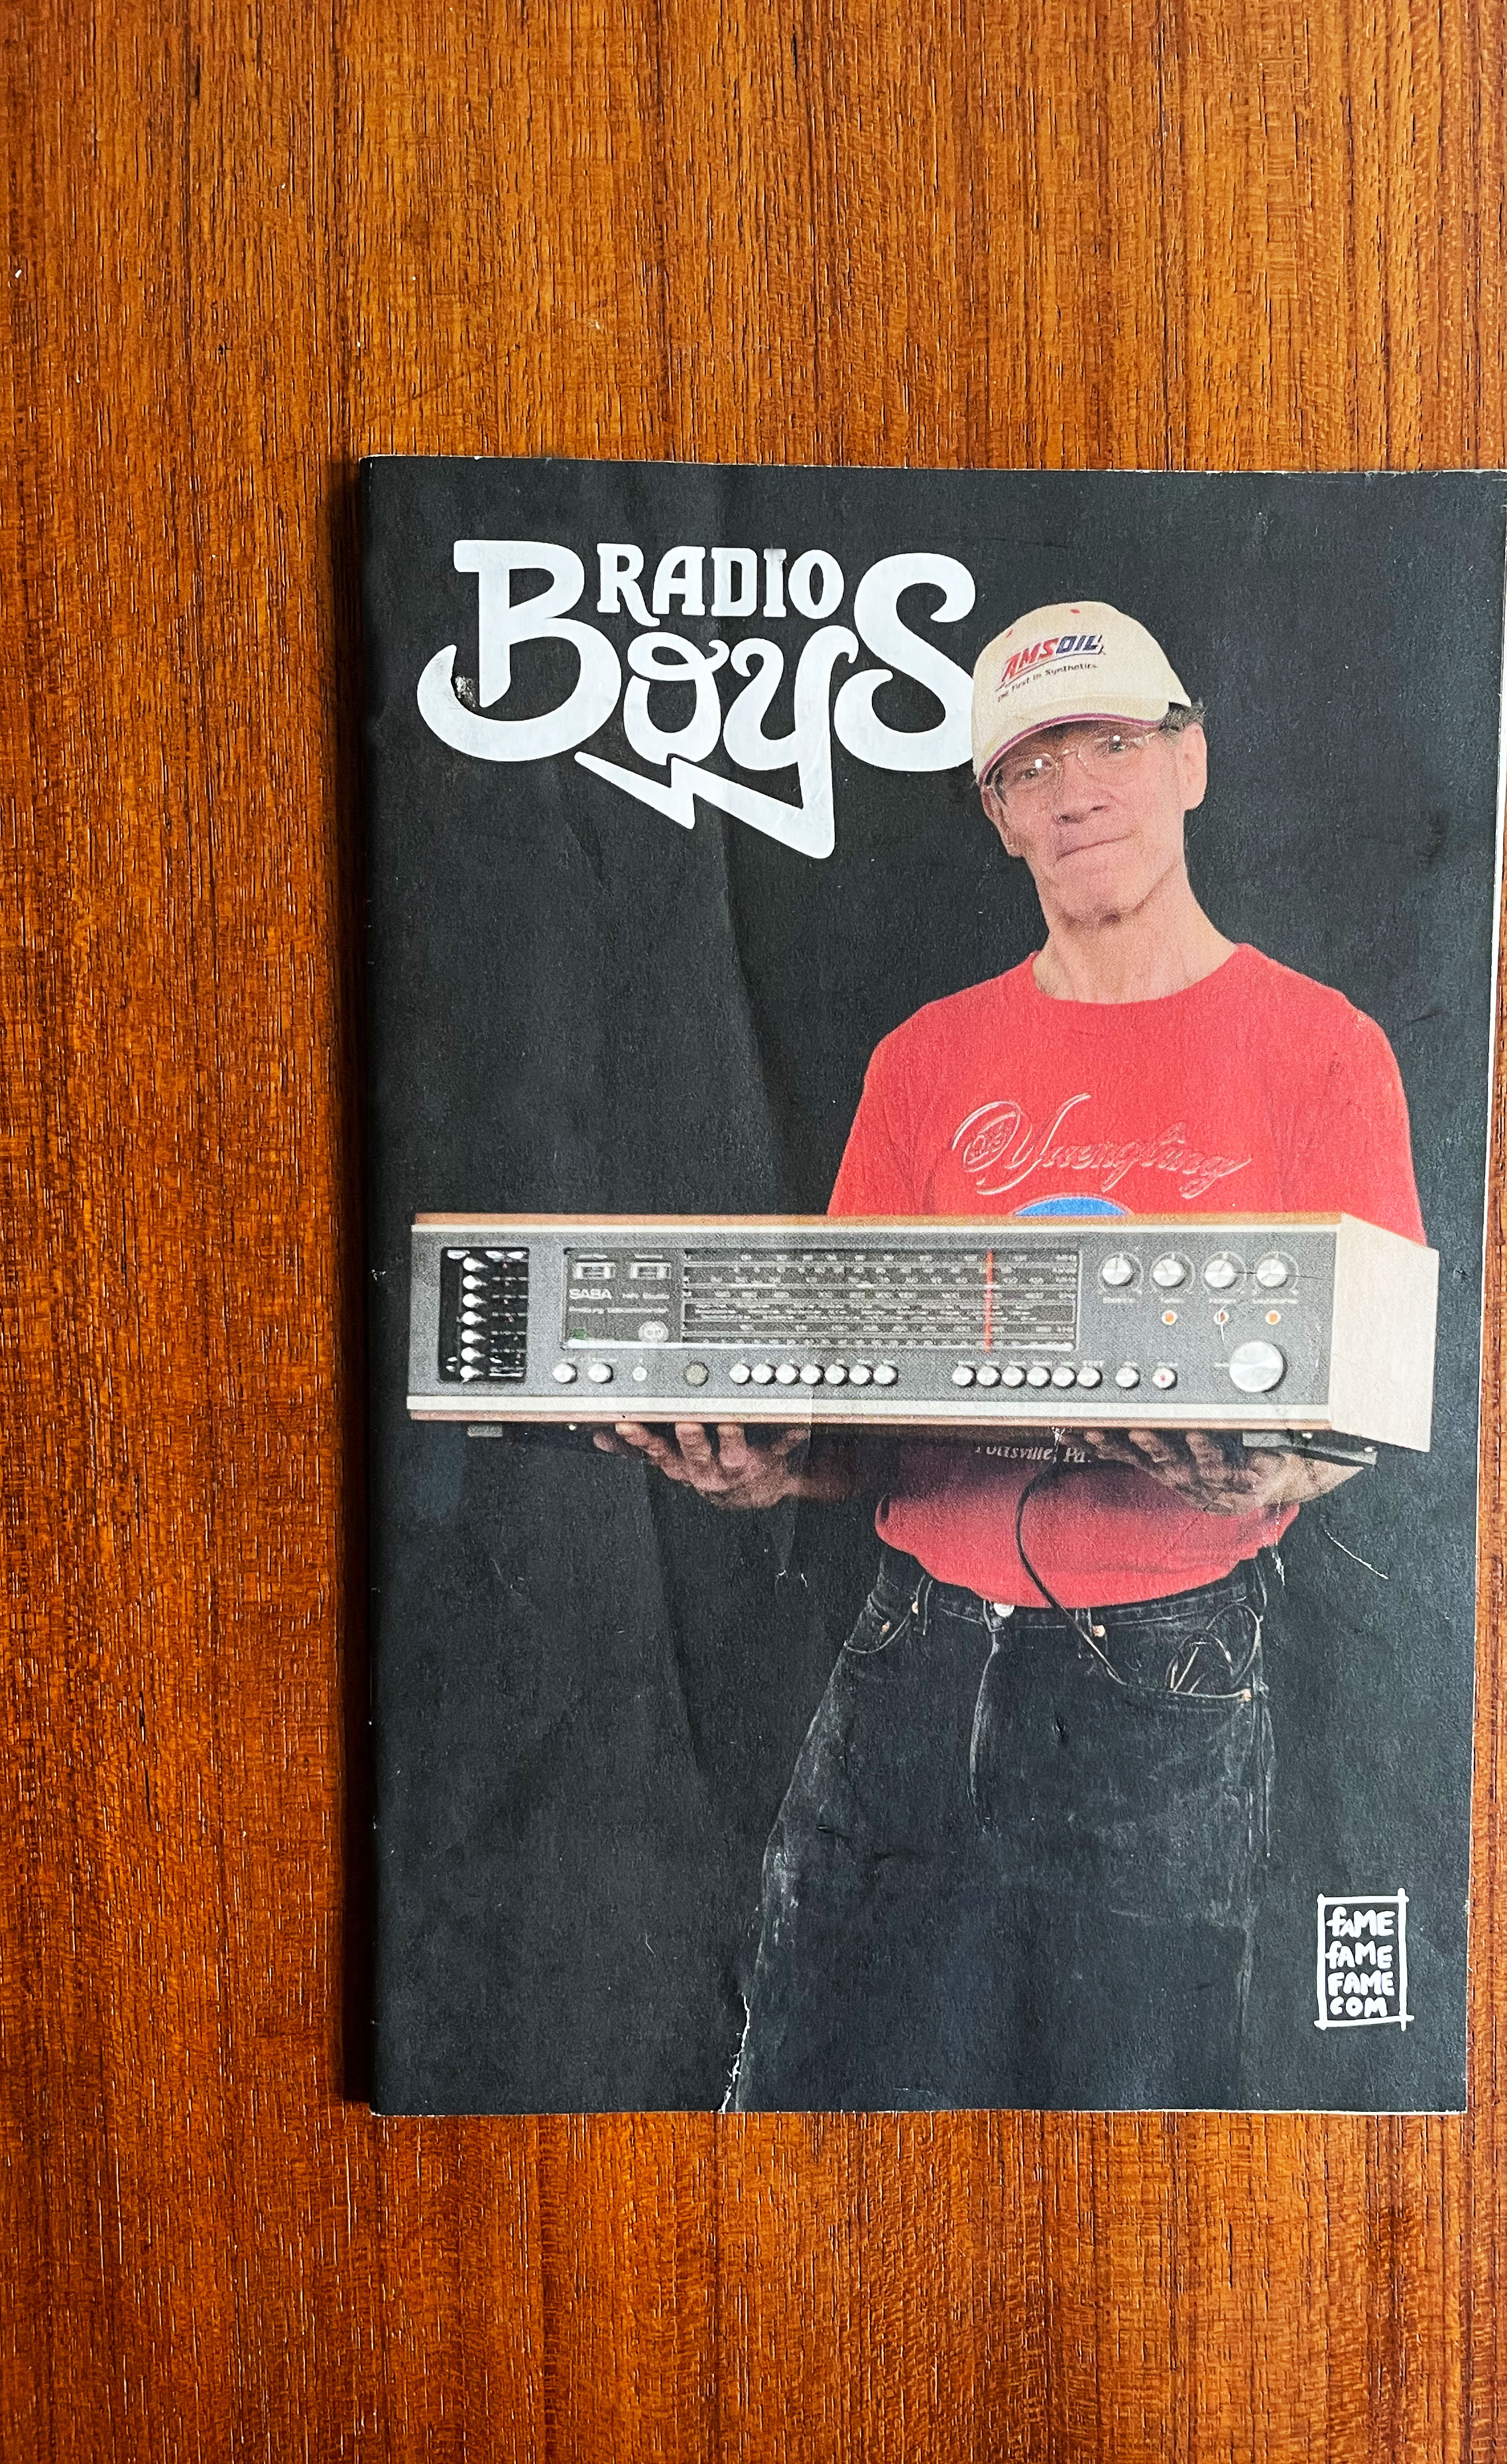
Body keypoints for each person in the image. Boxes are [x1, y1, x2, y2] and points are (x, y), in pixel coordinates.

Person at [595, 599, 1424, 2110]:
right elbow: (861, 1409)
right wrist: (769, 1470)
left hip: (1165, 1668)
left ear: (1189, 761)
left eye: (1110, 745)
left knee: (1134, 2123)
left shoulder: (1325, 1048)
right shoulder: (925, 1059)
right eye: (1031, 768)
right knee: (805, 2096)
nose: (1076, 793)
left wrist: (1269, 1472)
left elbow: (1364, 1412)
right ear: (996, 817)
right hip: (911, 1657)